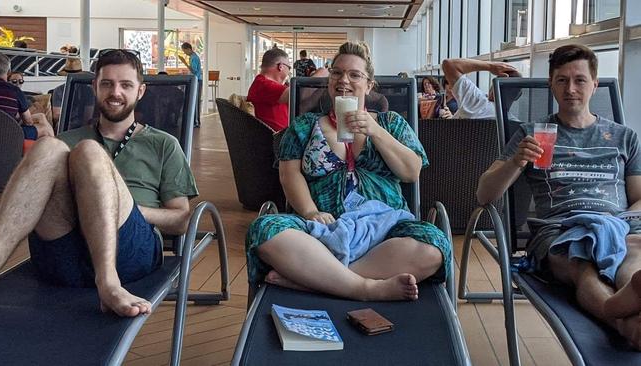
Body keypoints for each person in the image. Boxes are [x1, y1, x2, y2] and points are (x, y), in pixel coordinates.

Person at [0, 49, 198, 317]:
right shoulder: (67, 140)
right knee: (46, 147)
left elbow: (181, 220)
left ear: (141, 91)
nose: (116, 92)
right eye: (107, 84)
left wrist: (112, 206)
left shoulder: (163, 144)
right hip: (63, 253)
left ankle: (109, 284)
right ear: (94, 87)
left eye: (126, 85)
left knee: (89, 151)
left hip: (129, 252)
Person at [245, 41, 450, 302]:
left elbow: (412, 172)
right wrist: (310, 212)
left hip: (385, 233)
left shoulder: (391, 123)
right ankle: (365, 288)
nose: (344, 80)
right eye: (337, 73)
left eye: (355, 75)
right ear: (329, 80)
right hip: (318, 232)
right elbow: (289, 175)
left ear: (369, 84)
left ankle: (312, 280)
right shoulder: (305, 126)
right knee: (264, 229)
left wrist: (374, 131)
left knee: (433, 246)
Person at [476, 44, 641, 348]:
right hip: (560, 229)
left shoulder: (624, 137)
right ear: (551, 84)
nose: (571, 89)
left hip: (617, 225)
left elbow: (639, 197)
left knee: (633, 250)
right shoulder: (533, 133)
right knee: (581, 258)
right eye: (562, 80)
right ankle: (615, 314)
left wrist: (623, 222)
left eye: (579, 80)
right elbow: (484, 194)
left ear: (594, 84)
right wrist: (516, 161)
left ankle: (632, 306)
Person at [0, 54, 53, 139]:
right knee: (45, 129)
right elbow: (28, 122)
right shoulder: (15, 91)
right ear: (9, 72)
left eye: (20, 81)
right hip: (9, 135)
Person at [440, 58, 520, 119]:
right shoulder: (512, 123)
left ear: (494, 89)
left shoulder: (478, 103)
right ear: (518, 96)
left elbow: (449, 64)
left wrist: (491, 66)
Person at [247, 47, 291, 132]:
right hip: (279, 140)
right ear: (280, 66)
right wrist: (321, 73)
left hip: (282, 135)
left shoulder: (260, 83)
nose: (289, 71)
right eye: (289, 67)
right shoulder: (264, 85)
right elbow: (296, 94)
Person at [179, 42, 203, 127]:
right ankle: (195, 121)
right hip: (197, 80)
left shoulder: (194, 58)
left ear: (188, 49)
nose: (184, 53)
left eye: (184, 51)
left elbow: (194, 71)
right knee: (195, 101)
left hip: (197, 81)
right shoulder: (193, 57)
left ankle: (196, 122)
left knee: (196, 101)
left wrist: (184, 62)